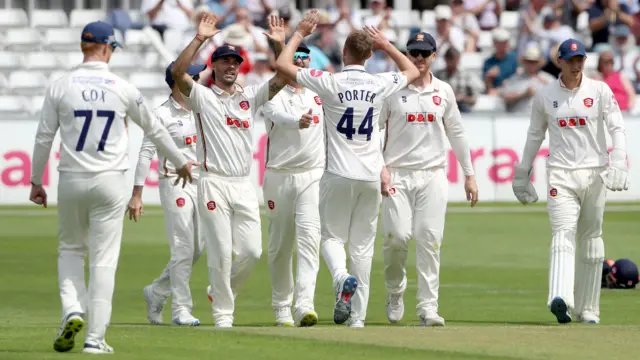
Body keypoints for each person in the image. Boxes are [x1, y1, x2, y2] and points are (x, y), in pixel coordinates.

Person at [28, 21, 195, 354]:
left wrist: (36, 181)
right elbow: (156, 129)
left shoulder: (60, 85)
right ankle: (95, 338)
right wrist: (179, 161)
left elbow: (44, 136)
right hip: (111, 182)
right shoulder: (122, 86)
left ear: (83, 46)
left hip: (72, 178)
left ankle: (72, 309)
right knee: (104, 260)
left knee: (71, 251)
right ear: (108, 48)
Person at [275, 11, 420, 328]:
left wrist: (298, 34)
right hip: (370, 175)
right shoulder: (380, 82)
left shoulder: (329, 82)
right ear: (370, 54)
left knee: (331, 238)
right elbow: (411, 70)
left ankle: (340, 278)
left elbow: (282, 66)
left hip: (338, 173)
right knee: (363, 249)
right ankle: (357, 319)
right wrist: (387, 45)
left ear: (343, 53)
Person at [170, 13, 287, 328]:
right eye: (224, 61)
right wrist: (200, 39)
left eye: (235, 61)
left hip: (243, 183)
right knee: (220, 251)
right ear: (214, 66)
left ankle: (219, 292)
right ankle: (223, 314)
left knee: (252, 251)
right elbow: (178, 72)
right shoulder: (202, 97)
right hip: (213, 183)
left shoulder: (249, 97)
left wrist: (280, 45)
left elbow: (282, 78)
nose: (231, 66)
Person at [512, 38, 629, 325]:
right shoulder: (545, 95)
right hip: (561, 175)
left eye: (581, 60)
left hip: (594, 173)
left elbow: (616, 126)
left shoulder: (599, 90)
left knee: (591, 239)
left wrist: (619, 161)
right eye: (571, 60)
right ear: (560, 62)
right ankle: (559, 297)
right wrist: (522, 172)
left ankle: (589, 309)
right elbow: (534, 135)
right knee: (562, 233)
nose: (577, 65)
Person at [379, 32, 478, 327]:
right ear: (407, 55)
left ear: (434, 56)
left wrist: (470, 175)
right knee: (397, 238)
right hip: (397, 172)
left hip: (433, 174)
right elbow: (373, 130)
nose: (419, 59)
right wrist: (380, 167)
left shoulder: (444, 91)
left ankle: (427, 307)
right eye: (414, 53)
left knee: (429, 239)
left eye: (424, 53)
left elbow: (457, 133)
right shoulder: (392, 89)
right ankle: (395, 292)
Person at [127, 61, 206, 327]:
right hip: (174, 183)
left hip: (203, 183)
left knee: (197, 248)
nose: (197, 81)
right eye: (193, 76)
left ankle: (157, 291)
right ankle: (181, 310)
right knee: (183, 248)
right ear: (177, 81)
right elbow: (146, 153)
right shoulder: (160, 114)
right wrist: (137, 195)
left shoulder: (202, 108)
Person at [261, 42, 324, 327]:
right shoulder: (272, 91)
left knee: (310, 241)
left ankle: (304, 305)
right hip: (279, 174)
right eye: (295, 59)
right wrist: (296, 120)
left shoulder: (319, 91)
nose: (299, 64)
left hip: (312, 174)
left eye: (304, 59)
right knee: (280, 245)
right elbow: (275, 115)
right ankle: (280, 307)